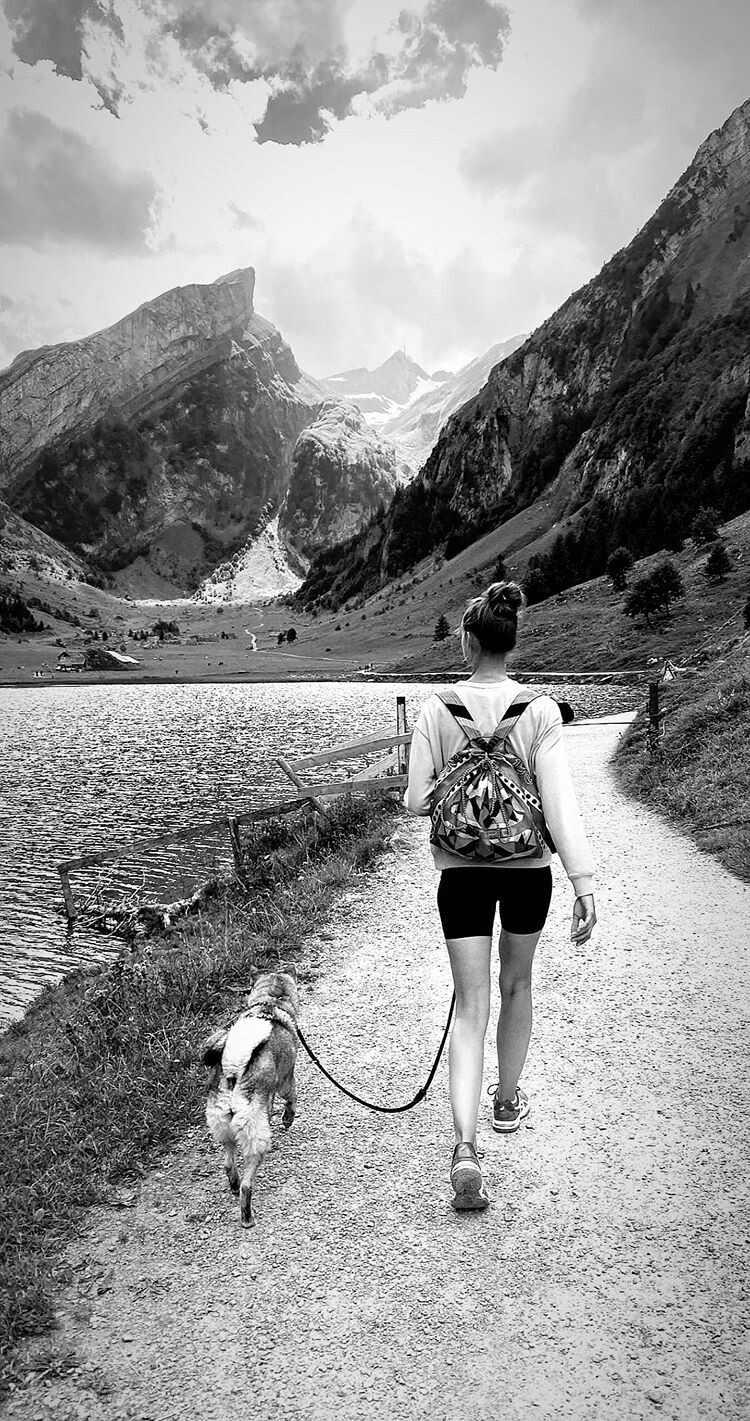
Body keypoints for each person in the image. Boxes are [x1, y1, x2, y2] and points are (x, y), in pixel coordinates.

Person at [404, 581, 596, 1211]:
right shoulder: (540, 710)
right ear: (512, 641)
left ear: (468, 640)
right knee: (517, 985)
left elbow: (415, 801)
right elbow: (560, 805)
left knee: (469, 1006)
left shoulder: (436, 708)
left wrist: (457, 785)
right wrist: (582, 880)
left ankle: (464, 1148)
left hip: (461, 874)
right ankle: (507, 1102)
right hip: (527, 871)